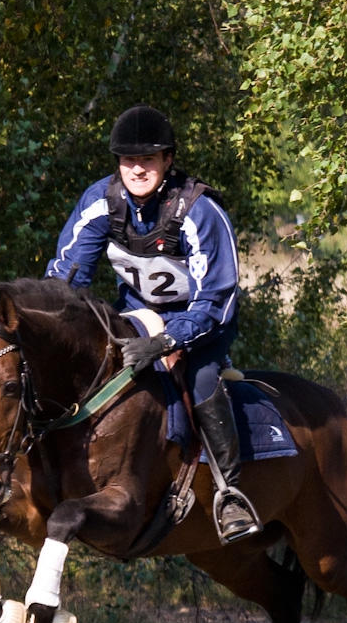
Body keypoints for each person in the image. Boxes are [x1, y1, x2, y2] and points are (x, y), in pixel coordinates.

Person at [44, 104, 260, 542]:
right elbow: (67, 277)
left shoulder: (199, 210)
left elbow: (216, 300)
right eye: (128, 160)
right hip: (137, 318)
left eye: (148, 159)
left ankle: (229, 493)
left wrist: (167, 342)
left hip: (201, 324)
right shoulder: (101, 202)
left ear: (168, 160)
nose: (137, 169)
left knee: (200, 378)